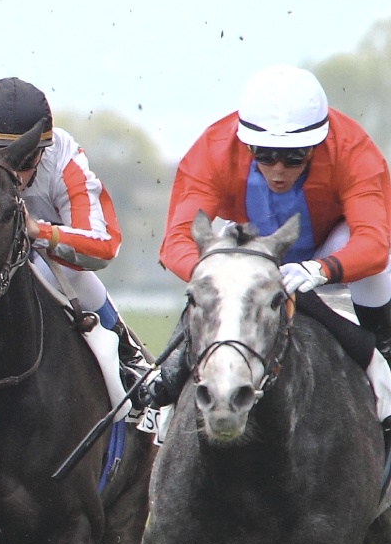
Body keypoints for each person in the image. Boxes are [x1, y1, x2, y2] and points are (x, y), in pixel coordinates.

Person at [144, 65, 391, 411]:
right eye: (264, 154)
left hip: (330, 246)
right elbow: (176, 241)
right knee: (214, 262)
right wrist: (217, 273)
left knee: (381, 264)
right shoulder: (213, 150)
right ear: (246, 143)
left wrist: (318, 269)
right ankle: (163, 386)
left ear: (316, 145)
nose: (278, 170)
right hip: (252, 246)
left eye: (294, 156)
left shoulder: (353, 150)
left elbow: (374, 243)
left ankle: (384, 350)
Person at [0, 78, 153, 406]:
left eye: (23, 161)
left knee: (75, 276)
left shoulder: (63, 157)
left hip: (47, 259)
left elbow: (104, 245)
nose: (11, 171)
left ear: (42, 150)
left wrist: (39, 232)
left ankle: (129, 359)